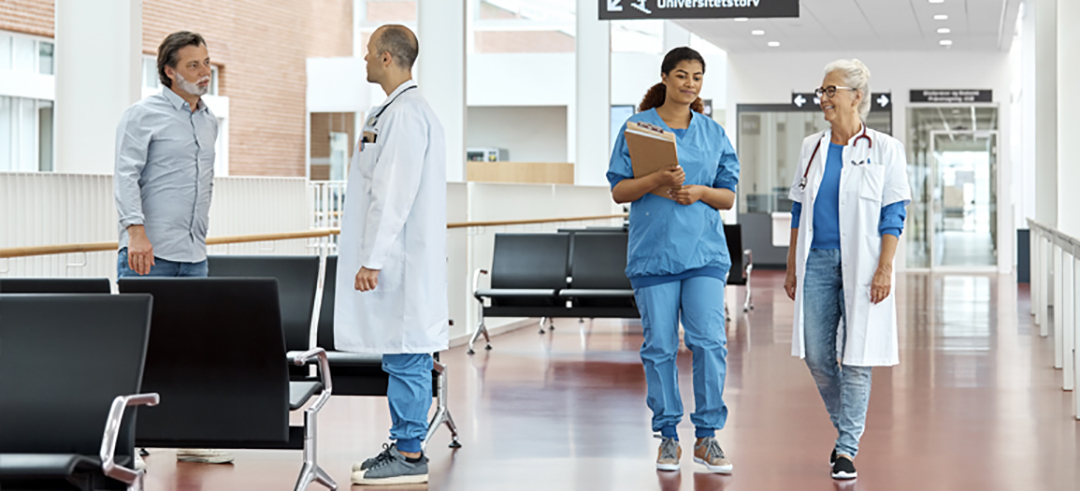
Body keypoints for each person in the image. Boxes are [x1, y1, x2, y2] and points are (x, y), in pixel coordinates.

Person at [606, 47, 739, 474]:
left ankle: (707, 438)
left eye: (697, 77)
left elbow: (728, 196)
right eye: (681, 75)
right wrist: (656, 180)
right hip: (653, 255)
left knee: (709, 344)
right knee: (660, 347)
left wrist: (699, 191)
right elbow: (619, 191)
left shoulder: (713, 133)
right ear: (665, 78)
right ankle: (667, 435)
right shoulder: (636, 128)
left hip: (704, 254)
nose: (689, 84)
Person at [784, 59, 912, 480]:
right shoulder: (812, 147)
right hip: (816, 261)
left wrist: (885, 268)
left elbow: (894, 213)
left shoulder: (885, 148)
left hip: (863, 265)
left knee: (858, 357)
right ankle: (847, 428)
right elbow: (799, 208)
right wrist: (790, 266)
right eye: (821, 91)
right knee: (818, 355)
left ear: (857, 96)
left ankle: (847, 448)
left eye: (830, 90)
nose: (823, 98)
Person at [335, 24, 447, 486]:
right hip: (400, 258)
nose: (363, 59)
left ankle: (409, 452)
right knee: (404, 356)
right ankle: (404, 443)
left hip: (401, 259)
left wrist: (373, 258)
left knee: (408, 355)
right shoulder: (395, 111)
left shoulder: (405, 115)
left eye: (367, 52)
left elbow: (392, 194)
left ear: (386, 58)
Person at [114, 31, 230, 465]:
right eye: (193, 66)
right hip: (150, 252)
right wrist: (135, 231)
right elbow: (125, 176)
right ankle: (125, 445)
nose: (204, 73)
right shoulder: (143, 115)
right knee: (141, 351)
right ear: (169, 71)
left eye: (206, 63)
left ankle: (189, 435)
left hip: (194, 255)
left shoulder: (209, 121)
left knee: (191, 349)